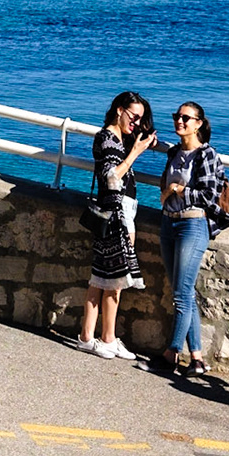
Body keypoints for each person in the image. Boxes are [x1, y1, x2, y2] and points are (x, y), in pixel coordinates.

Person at [146, 102, 226, 375]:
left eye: (185, 118)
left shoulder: (208, 155)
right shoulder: (173, 152)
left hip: (193, 225)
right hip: (169, 223)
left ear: (199, 123)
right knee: (186, 293)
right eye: (176, 116)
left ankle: (171, 353)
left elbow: (209, 197)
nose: (179, 121)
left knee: (181, 294)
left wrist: (177, 189)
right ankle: (197, 359)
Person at [76, 91, 156, 359]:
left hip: (123, 212)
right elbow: (111, 177)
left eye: (140, 120)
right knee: (104, 279)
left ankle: (105, 338)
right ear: (120, 110)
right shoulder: (107, 139)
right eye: (134, 117)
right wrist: (134, 152)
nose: (136, 123)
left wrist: (140, 137)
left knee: (113, 280)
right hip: (114, 214)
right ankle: (89, 337)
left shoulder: (120, 137)